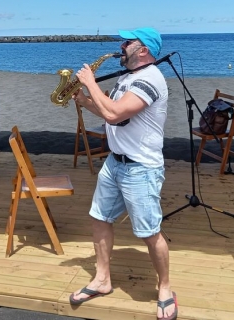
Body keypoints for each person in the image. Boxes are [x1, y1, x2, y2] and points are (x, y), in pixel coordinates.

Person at [68, 27, 176, 320]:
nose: (121, 45)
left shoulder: (150, 79)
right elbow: (110, 114)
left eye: (128, 42)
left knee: (149, 232)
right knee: (99, 218)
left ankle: (165, 288)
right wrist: (86, 100)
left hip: (140, 168)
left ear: (143, 50)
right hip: (114, 163)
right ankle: (102, 280)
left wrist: (90, 83)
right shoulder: (128, 77)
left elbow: (116, 114)